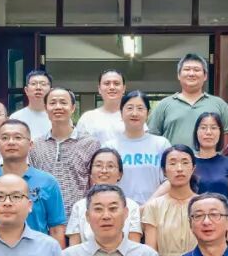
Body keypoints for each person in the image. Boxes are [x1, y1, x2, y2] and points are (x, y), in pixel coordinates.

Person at [0, 119, 66, 246]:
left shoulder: (48, 182)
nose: (11, 142)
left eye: (18, 137)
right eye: (5, 138)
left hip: (36, 254)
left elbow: (56, 229)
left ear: (30, 144)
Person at [28, 87, 101, 218]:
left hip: (79, 219)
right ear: (45, 108)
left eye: (63, 102)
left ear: (73, 108)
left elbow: (96, 184)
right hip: (45, 220)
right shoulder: (36, 145)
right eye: (52, 103)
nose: (58, 107)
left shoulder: (90, 143)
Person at [148, 53, 228, 147]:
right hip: (173, 156)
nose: (191, 74)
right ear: (179, 75)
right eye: (187, 69)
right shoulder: (164, 105)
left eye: (196, 70)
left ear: (205, 76)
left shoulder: (220, 105)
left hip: (211, 157)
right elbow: (152, 138)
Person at [102, 90, 170, 204]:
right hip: (119, 210)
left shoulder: (161, 144)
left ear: (148, 113)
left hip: (154, 209)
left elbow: (169, 180)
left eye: (140, 108)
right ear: (121, 112)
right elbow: (104, 181)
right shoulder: (110, 147)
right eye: (129, 108)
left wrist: (148, 206)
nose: (134, 113)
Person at [66, 148, 142, 246]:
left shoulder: (132, 206)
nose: (104, 170)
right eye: (98, 165)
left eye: (110, 166)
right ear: (90, 173)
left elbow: (135, 248)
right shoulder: (79, 206)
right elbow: (74, 248)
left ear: (120, 174)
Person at [142, 145, 199, 256]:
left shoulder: (203, 204)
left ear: (193, 168)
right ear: (164, 171)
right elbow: (150, 252)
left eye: (185, 163)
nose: (179, 169)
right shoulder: (153, 206)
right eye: (172, 163)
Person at [192, 112, 228, 197]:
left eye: (213, 128)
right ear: (196, 132)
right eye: (203, 127)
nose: (208, 132)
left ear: (220, 133)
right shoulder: (188, 162)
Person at [76, 69, 131, 145]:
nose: (112, 87)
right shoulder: (87, 118)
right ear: (99, 89)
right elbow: (80, 147)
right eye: (107, 83)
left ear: (124, 88)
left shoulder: (133, 116)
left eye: (116, 83)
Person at [9, 70, 53, 139]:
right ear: (26, 90)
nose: (38, 87)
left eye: (43, 84)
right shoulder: (15, 118)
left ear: (50, 91)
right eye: (33, 84)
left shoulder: (57, 116)